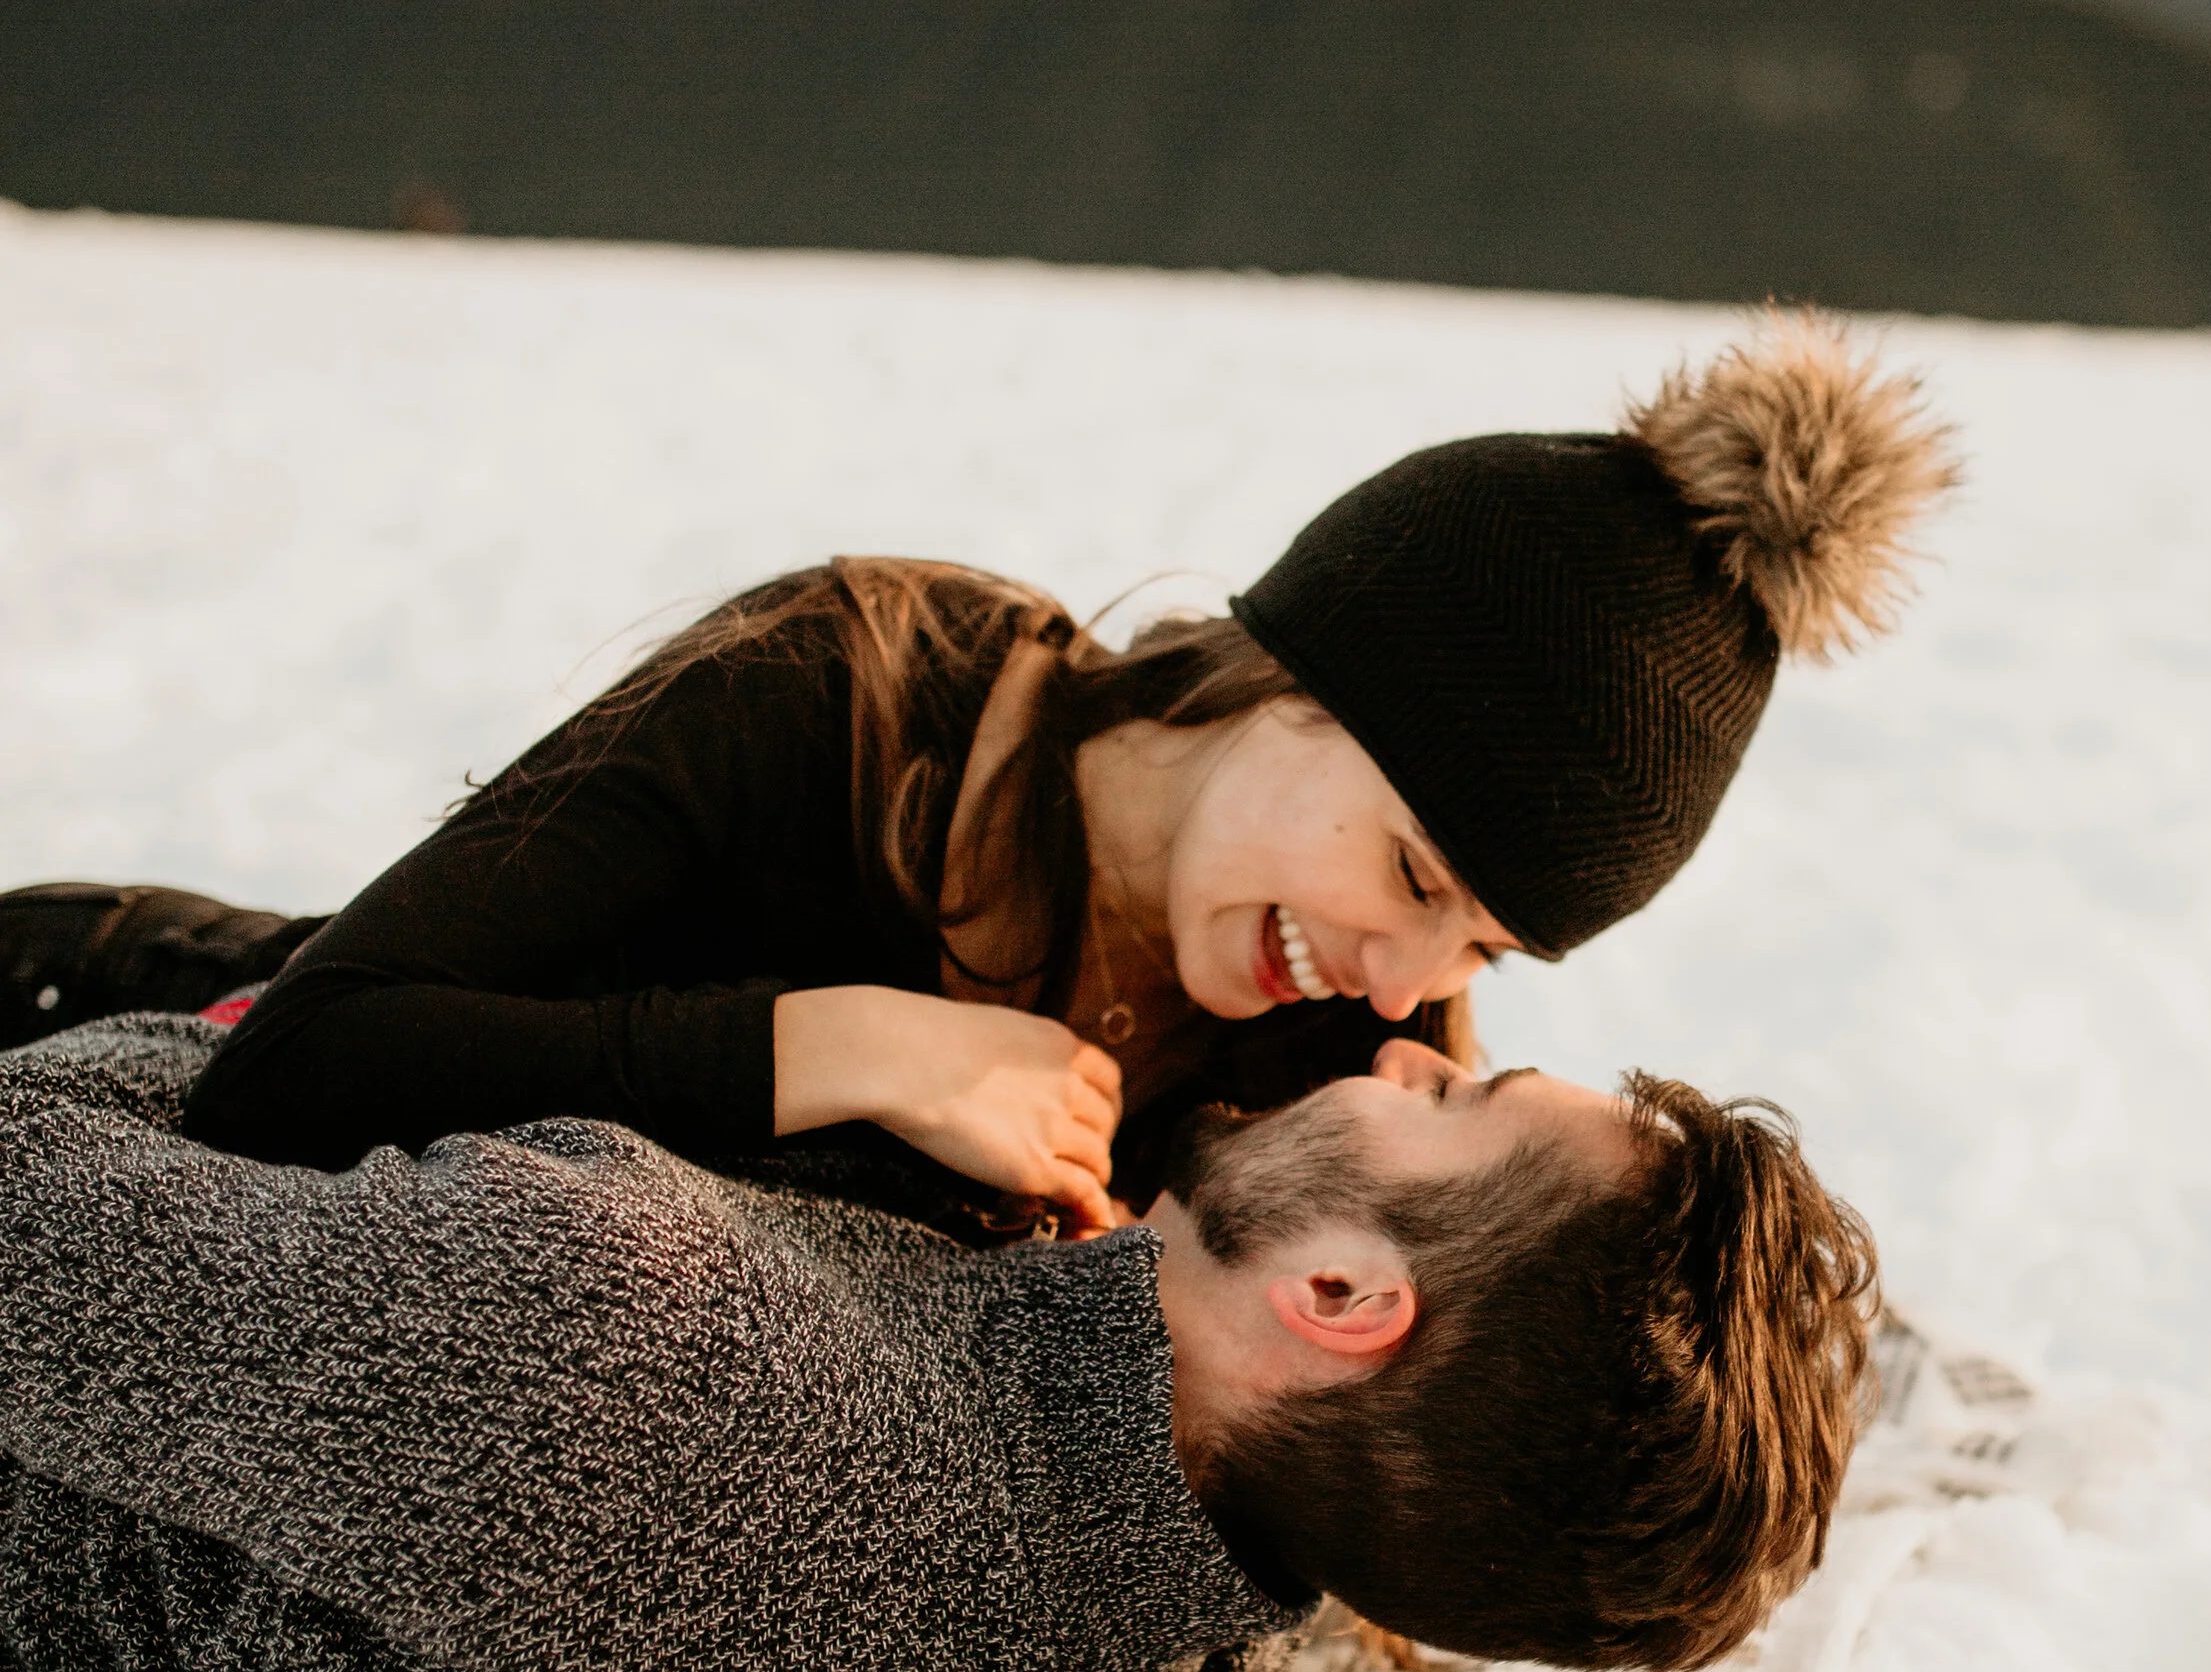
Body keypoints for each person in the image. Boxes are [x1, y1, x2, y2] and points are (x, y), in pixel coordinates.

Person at [0, 315, 1955, 1227]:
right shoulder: (846, 690)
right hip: (101, 1007)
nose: (1401, 977)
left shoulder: (1355, 1048)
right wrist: (843, 1048)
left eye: (1482, 940)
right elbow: (300, 1070)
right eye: (1420, 874)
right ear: (1300, 678)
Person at [0, 1014, 1877, 1672]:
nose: (1396, 1052)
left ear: (1336, 1289)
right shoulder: (1170, 1632)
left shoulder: (641, 1366)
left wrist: (342, 1024)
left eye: (1450, 1100)